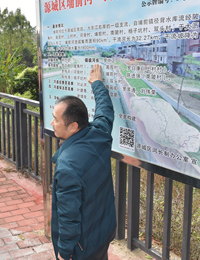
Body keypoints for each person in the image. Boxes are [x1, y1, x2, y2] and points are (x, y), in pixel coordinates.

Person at [50, 64, 116, 260]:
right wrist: (97, 83)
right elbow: (105, 110)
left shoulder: (67, 167)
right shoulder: (100, 133)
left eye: (56, 119)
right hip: (103, 230)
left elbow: (69, 216)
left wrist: (64, 252)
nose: (52, 122)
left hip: (83, 246)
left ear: (73, 127)